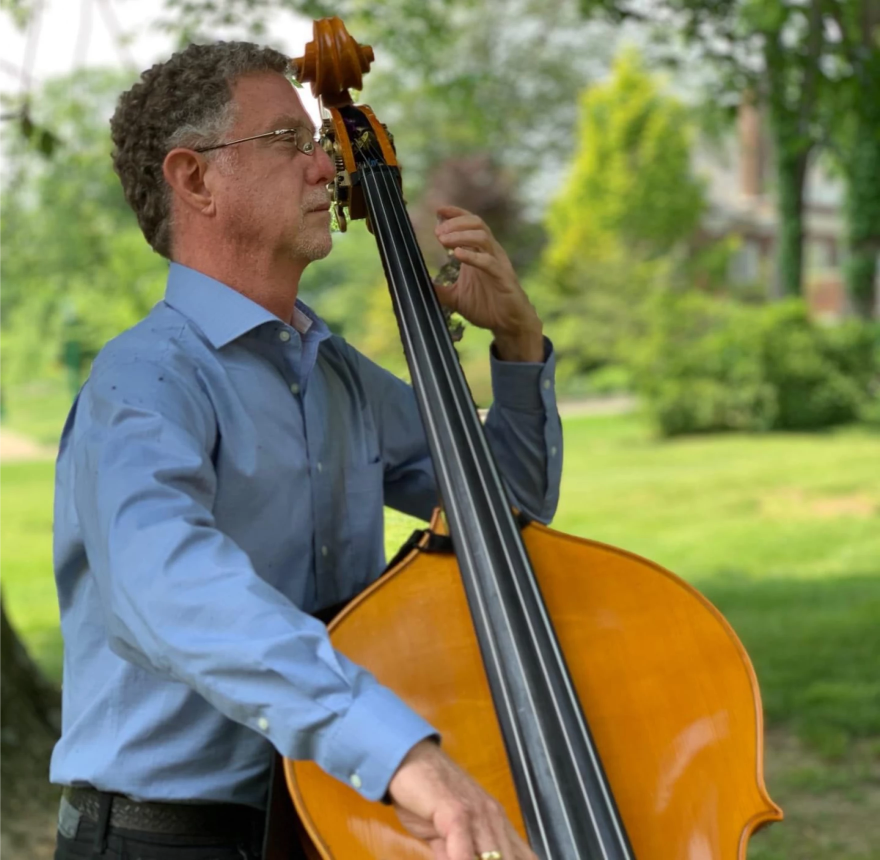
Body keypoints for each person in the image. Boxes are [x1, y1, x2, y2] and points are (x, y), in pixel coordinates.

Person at [51, 41, 562, 860]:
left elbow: (507, 515)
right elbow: (173, 590)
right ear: (195, 179)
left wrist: (519, 344)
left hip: (329, 819)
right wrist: (400, 753)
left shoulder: (336, 375)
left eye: (322, 145)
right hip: (168, 840)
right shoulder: (143, 384)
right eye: (290, 142)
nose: (326, 167)